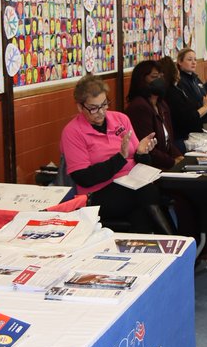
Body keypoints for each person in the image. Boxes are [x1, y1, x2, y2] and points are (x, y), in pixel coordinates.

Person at [60, 74, 174, 235]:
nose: (101, 112)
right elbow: (83, 178)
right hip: (96, 195)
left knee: (142, 211)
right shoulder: (72, 132)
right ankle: (177, 243)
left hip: (131, 185)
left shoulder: (120, 119)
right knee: (145, 193)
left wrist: (142, 154)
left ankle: (145, 254)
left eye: (104, 104)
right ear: (80, 107)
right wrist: (119, 158)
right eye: (93, 108)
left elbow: (138, 159)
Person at [124, 60, 179, 170]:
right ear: (142, 80)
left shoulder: (161, 104)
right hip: (152, 167)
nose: (159, 80)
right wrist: (172, 162)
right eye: (154, 77)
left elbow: (169, 141)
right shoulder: (139, 107)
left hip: (166, 162)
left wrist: (179, 156)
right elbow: (148, 148)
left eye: (160, 76)